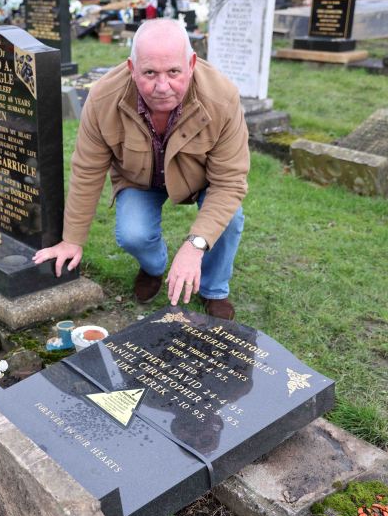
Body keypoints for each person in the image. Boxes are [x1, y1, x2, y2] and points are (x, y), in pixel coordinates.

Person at [33, 18, 249, 320]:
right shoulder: (103, 99)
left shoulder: (222, 99)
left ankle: (213, 288)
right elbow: (87, 171)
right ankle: (153, 267)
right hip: (137, 178)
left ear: (191, 64)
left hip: (202, 180)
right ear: (132, 69)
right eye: (149, 73)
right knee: (132, 234)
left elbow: (229, 183)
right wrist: (72, 240)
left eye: (173, 72)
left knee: (229, 219)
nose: (162, 86)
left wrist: (194, 246)